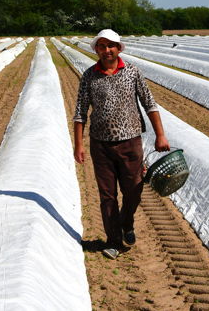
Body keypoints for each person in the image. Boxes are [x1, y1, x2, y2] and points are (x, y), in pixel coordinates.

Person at [73, 29, 170, 260]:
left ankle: (127, 223)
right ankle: (113, 241)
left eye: (111, 46)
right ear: (96, 49)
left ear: (119, 48)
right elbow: (80, 113)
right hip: (101, 145)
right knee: (107, 196)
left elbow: (150, 104)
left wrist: (160, 135)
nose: (107, 50)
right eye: (102, 46)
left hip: (130, 143)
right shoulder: (89, 76)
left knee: (133, 191)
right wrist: (78, 144)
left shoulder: (133, 72)